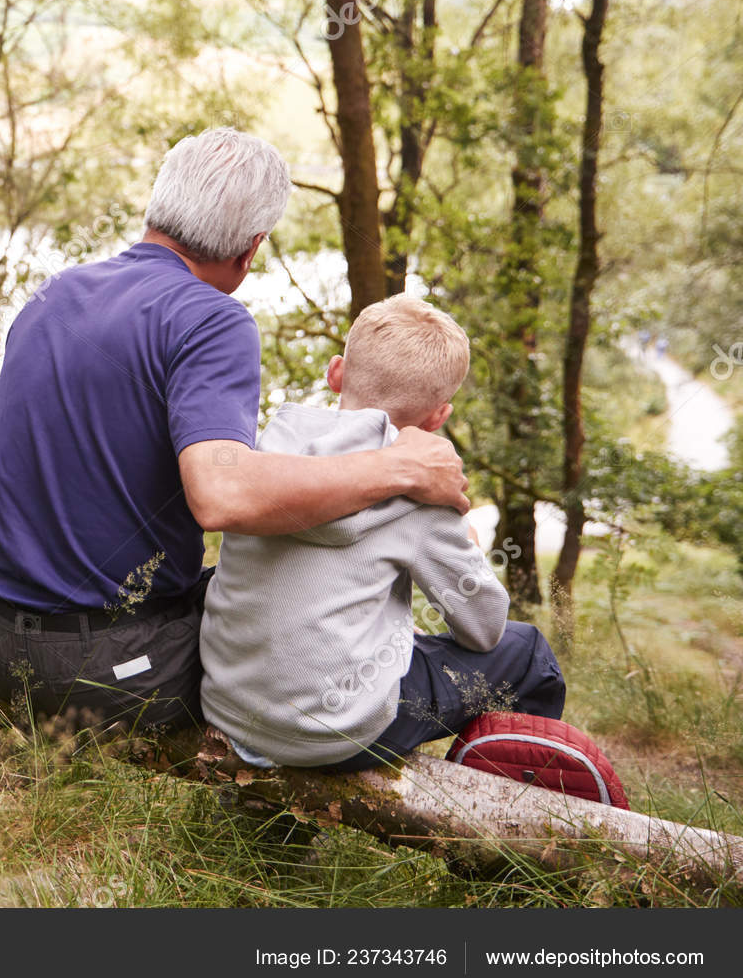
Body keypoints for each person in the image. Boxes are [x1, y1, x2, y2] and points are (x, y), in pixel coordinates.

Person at [0, 129, 471, 732]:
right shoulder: (212, 319)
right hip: (96, 672)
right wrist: (401, 466)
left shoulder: (56, 293)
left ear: (159, 206)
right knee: (318, 650)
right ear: (251, 249)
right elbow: (221, 495)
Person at [198, 294, 566, 769]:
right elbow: (483, 628)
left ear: (336, 372)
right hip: (328, 734)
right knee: (528, 651)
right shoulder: (422, 496)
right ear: (438, 417)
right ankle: (517, 797)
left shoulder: (268, 453)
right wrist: (468, 542)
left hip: (230, 706)